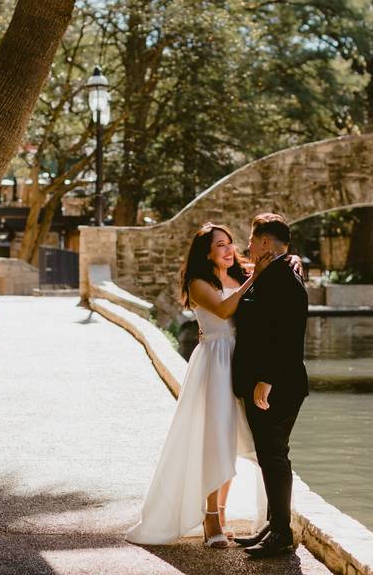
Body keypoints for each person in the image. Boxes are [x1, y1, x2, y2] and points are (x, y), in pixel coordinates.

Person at [125, 223, 273, 548]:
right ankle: (210, 521)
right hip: (216, 361)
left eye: (230, 243)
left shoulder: (237, 275)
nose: (228, 249)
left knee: (233, 439)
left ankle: (221, 512)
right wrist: (254, 278)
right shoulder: (198, 283)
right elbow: (223, 309)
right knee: (215, 439)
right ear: (206, 252)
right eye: (220, 245)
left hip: (240, 360)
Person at [231, 213, 310, 559]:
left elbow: (288, 336)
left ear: (265, 242)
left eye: (251, 240)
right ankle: (274, 524)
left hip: (278, 385)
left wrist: (267, 379)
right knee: (269, 455)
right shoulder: (269, 273)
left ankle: (281, 533)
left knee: (275, 455)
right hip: (262, 382)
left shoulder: (285, 278)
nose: (246, 246)